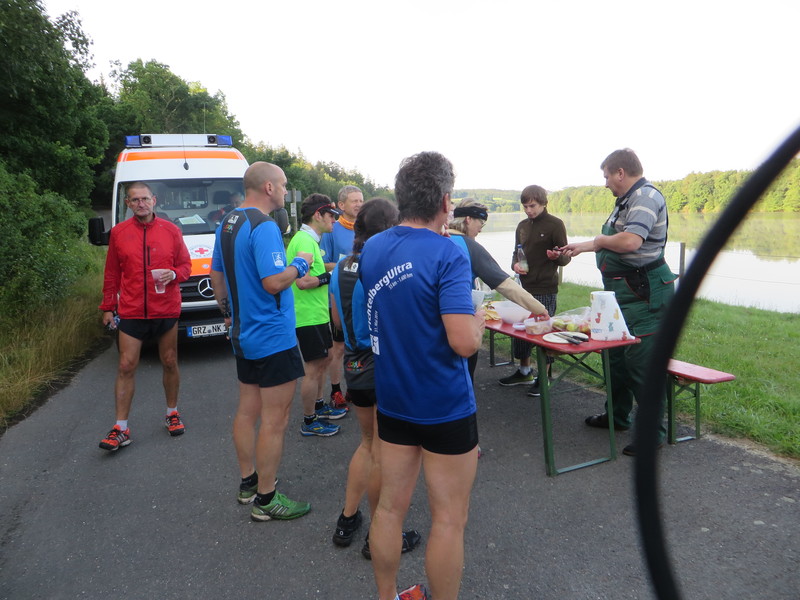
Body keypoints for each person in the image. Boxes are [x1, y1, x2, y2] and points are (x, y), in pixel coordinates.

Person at [359, 152, 485, 600]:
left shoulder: (373, 247)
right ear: (446, 201)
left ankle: (387, 595)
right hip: (444, 404)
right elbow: (463, 342)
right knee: (449, 518)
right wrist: (478, 321)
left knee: (389, 509)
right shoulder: (448, 253)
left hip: (393, 398)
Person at [209, 161, 312, 521]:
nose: (285, 190)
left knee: (247, 410)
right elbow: (273, 282)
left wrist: (228, 314)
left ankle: (248, 482)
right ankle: (267, 499)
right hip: (272, 336)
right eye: (282, 185)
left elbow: (216, 274)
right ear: (268, 187)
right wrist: (301, 264)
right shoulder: (264, 225)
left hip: (243, 334)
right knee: (275, 419)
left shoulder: (228, 221)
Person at [559, 149, 676, 456]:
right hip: (619, 292)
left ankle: (652, 434)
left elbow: (630, 241)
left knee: (641, 364)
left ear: (621, 173)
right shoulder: (625, 200)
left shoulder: (646, 198)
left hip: (644, 293)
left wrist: (598, 242)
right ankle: (617, 417)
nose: (606, 183)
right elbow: (613, 240)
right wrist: (581, 247)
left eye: (607, 176)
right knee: (616, 358)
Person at [328, 197, 421, 559]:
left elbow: (337, 322)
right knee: (385, 452)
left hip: (354, 366)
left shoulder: (341, 267)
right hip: (381, 365)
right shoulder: (384, 264)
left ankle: (347, 519)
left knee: (368, 444)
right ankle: (379, 537)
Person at [98, 182, 192, 451]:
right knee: (126, 366)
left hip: (165, 307)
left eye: (145, 199)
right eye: (135, 200)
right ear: (128, 203)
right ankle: (120, 428)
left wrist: (174, 274)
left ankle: (172, 413)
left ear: (154, 200)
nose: (141, 203)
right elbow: (112, 273)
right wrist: (108, 306)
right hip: (131, 309)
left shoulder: (171, 230)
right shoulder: (119, 233)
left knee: (170, 361)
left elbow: (186, 266)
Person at [447, 198, 549, 381]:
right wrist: (538, 308)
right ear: (468, 219)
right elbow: (505, 285)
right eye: (481, 222)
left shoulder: (438, 238)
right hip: (461, 321)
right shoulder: (470, 247)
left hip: (431, 323)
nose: (481, 229)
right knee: (463, 377)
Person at [497, 185, 571, 396]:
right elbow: (516, 252)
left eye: (533, 206)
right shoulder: (522, 225)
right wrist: (515, 265)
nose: (529, 210)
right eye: (525, 206)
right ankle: (524, 371)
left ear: (543, 203)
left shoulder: (555, 224)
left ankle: (544, 378)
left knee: (542, 332)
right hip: (523, 287)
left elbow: (566, 257)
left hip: (545, 287)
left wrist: (557, 257)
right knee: (520, 331)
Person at [286, 193, 348, 437]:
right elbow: (302, 282)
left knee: (325, 359)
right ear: (318, 215)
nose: (334, 220)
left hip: (318, 313)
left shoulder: (311, 240)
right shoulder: (304, 241)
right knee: (313, 369)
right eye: (331, 215)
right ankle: (309, 420)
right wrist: (330, 276)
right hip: (307, 315)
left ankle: (320, 406)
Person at [320, 185, 364, 411]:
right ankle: (336, 390)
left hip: (362, 296)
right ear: (341, 205)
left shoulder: (365, 228)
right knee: (338, 348)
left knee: (358, 345)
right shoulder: (332, 230)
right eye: (354, 201)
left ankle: (355, 385)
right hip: (338, 296)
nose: (359, 204)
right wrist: (347, 265)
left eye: (361, 200)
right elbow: (322, 263)